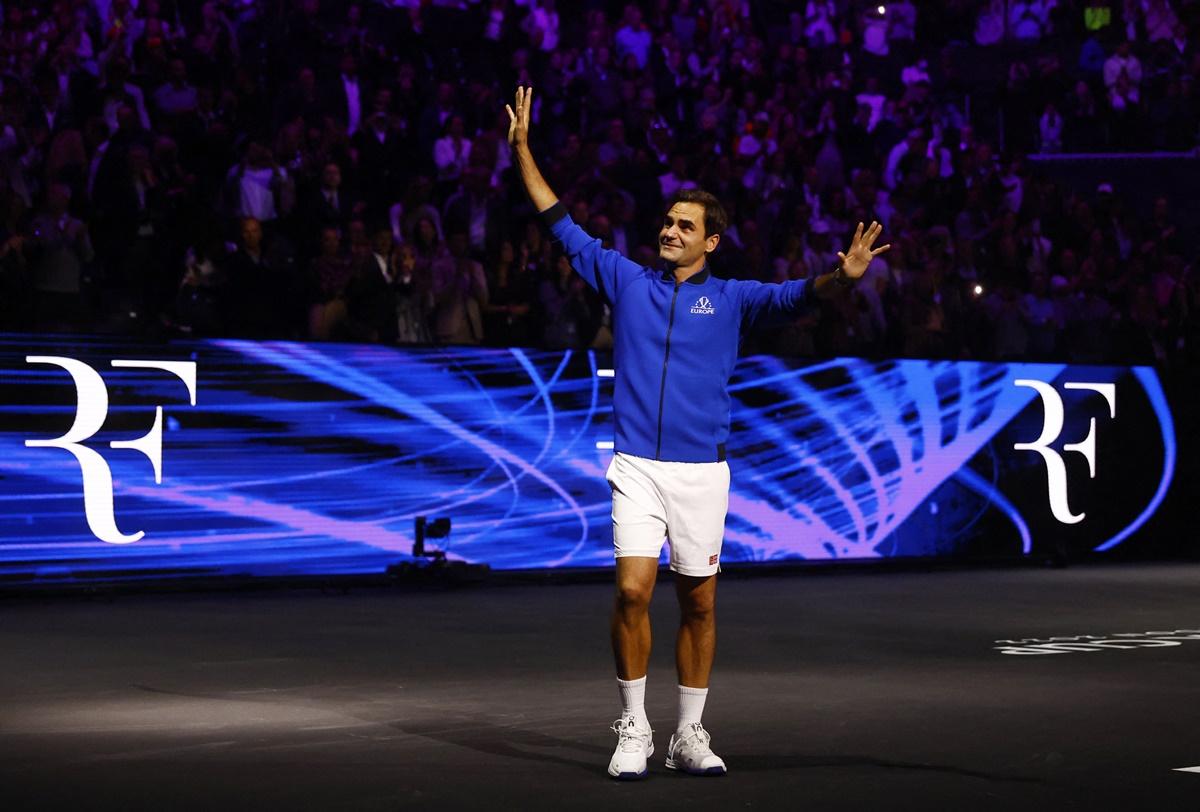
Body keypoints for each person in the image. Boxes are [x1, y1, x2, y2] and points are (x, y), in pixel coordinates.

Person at [505, 86, 890, 780]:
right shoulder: (626, 280)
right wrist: (523, 150)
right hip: (635, 466)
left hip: (702, 472)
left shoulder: (736, 298)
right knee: (630, 592)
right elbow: (559, 222)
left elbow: (802, 295)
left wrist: (843, 275)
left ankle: (689, 735)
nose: (669, 230)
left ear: (710, 241)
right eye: (667, 222)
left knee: (700, 602)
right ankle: (632, 727)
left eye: (685, 226)